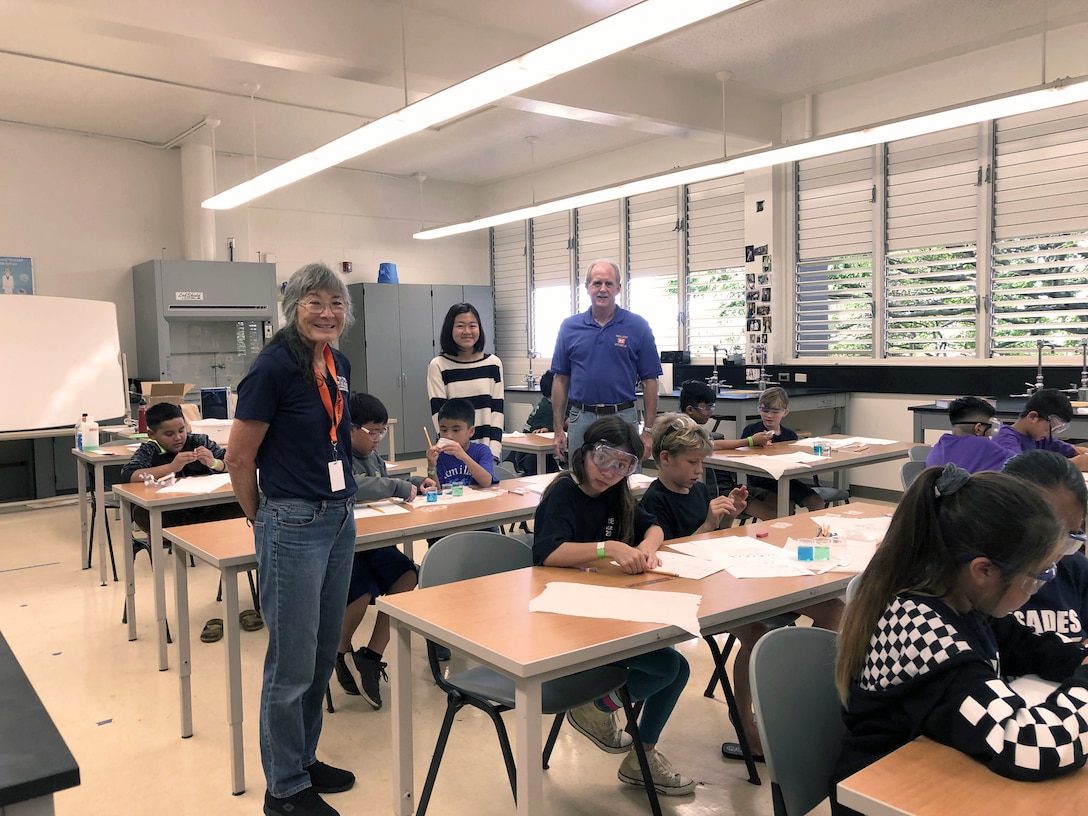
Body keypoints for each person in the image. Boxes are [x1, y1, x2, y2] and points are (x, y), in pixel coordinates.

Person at [831, 464, 1088, 815]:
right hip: (883, 797)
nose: (1036, 591)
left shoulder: (955, 596)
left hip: (934, 778)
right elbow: (1033, 746)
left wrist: (1078, 660)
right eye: (1035, 579)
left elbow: (1024, 645)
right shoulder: (927, 637)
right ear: (983, 571)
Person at [226, 262, 357, 816]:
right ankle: (283, 788)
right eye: (315, 302)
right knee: (292, 661)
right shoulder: (273, 367)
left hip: (338, 516)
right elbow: (238, 457)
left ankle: (301, 759)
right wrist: (264, 519)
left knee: (324, 650)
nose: (327, 313)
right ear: (293, 307)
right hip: (292, 522)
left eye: (335, 303)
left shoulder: (337, 363)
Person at [639, 413, 839, 762]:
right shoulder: (654, 501)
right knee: (757, 635)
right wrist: (710, 522)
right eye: (692, 463)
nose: (699, 470)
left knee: (837, 610)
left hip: (728, 573)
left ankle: (799, 694)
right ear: (665, 459)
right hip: (694, 589)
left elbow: (716, 537)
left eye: (702, 462)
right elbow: (675, 560)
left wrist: (731, 514)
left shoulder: (697, 488)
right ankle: (745, 720)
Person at [532, 416, 695, 797]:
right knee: (668, 665)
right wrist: (610, 547)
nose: (610, 472)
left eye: (623, 466)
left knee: (677, 666)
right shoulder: (563, 492)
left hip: (605, 606)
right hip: (563, 614)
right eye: (604, 459)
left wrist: (645, 549)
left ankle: (639, 754)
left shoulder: (617, 494)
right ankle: (595, 709)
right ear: (585, 451)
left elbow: (654, 528)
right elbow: (547, 553)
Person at [335, 392, 436, 709]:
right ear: (350, 428)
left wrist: (418, 480)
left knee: (407, 576)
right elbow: (354, 487)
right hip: (347, 546)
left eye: (382, 431)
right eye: (373, 431)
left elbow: (387, 478)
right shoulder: (337, 455)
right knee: (361, 593)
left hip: (376, 539)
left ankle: (371, 656)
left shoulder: (373, 456)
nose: (379, 438)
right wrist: (396, 487)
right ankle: (340, 652)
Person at [550, 260, 662, 463]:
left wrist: (648, 431)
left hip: (623, 417)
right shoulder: (569, 327)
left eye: (609, 284)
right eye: (597, 283)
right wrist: (558, 429)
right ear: (587, 288)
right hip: (581, 418)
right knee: (580, 481)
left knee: (624, 481)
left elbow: (649, 382)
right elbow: (560, 380)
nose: (602, 289)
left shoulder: (638, 326)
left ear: (618, 288)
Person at [1003, 450, 1088, 642]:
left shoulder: (1075, 569)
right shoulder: (985, 583)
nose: (1054, 553)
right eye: (1045, 538)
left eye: (1068, 541)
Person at [119, 401, 243, 532]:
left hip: (208, 505)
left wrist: (214, 463)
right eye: (169, 434)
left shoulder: (200, 441)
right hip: (171, 509)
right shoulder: (150, 449)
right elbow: (129, 475)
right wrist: (171, 467)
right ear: (152, 435)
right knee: (143, 513)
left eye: (181, 430)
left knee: (240, 504)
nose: (178, 437)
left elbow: (234, 464)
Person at [427, 302, 504, 459]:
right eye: (460, 326)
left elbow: (497, 412)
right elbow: (439, 415)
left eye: (472, 326)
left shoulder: (493, 364)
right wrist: (453, 449)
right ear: (450, 329)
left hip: (485, 453)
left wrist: (493, 454)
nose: (467, 331)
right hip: (451, 452)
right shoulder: (439, 365)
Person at [679, 379, 773, 500]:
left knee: (774, 499)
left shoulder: (693, 428)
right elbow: (711, 445)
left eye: (712, 406)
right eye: (707, 407)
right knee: (769, 503)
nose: (711, 412)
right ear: (690, 409)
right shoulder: (683, 429)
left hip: (722, 484)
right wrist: (750, 441)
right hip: (714, 490)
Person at [740, 386, 825, 520]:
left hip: (787, 479)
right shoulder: (751, 431)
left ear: (785, 412)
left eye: (775, 411)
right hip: (762, 481)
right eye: (765, 410)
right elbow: (743, 456)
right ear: (758, 410)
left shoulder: (790, 434)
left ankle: (813, 534)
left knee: (817, 502)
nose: (769, 415)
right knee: (784, 507)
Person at [992, 388, 1088, 472]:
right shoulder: (1006, 439)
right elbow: (1019, 470)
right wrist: (1072, 464)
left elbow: (1073, 450)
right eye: (1050, 427)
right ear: (1033, 417)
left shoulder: (1039, 438)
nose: (1049, 434)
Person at [924, 396, 1008, 472]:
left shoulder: (939, 445)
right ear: (978, 428)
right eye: (989, 426)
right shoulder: (983, 445)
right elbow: (1018, 462)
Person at [425, 397, 496, 488]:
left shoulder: (482, 451)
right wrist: (431, 467)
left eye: (455, 430)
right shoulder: (440, 455)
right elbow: (435, 490)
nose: (448, 436)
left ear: (471, 431)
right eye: (444, 430)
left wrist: (463, 456)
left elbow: (486, 482)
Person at [506, 369, 565, 475]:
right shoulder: (549, 407)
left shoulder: (544, 402)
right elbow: (567, 422)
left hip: (525, 453)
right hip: (531, 456)